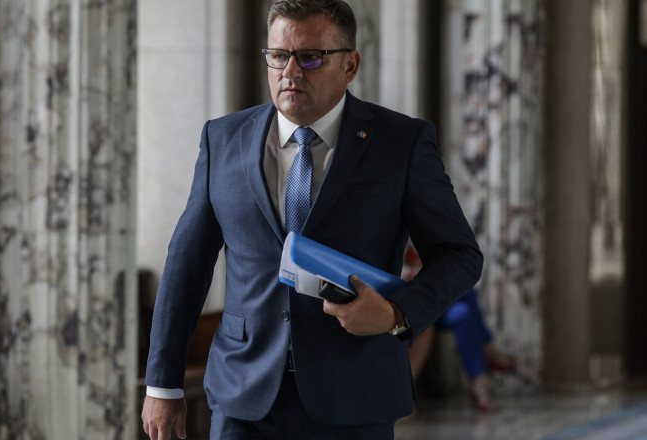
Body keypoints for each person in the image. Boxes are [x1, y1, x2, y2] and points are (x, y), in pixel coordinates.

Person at [141, 1, 483, 439]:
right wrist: (162, 383)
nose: (290, 72)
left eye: (310, 57)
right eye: (278, 56)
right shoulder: (222, 139)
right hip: (243, 396)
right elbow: (186, 264)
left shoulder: (401, 142)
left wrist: (396, 313)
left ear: (350, 65)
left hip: (354, 394)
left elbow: (459, 255)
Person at [403, 245, 516, 412]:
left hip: (428, 307)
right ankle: (485, 358)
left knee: (465, 309)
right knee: (466, 294)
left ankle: (479, 378)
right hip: (410, 308)